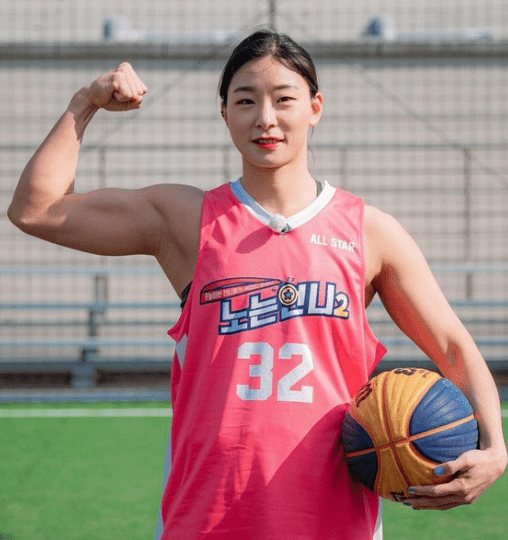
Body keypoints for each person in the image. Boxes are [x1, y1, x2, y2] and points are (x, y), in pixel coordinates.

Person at [8, 29, 507, 540]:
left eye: (283, 99)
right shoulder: (186, 219)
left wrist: (495, 449)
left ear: (315, 107)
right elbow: (35, 209)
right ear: (224, 113)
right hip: (205, 520)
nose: (265, 118)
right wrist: (85, 103)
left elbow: (451, 346)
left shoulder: (370, 231)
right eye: (245, 101)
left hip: (334, 523)